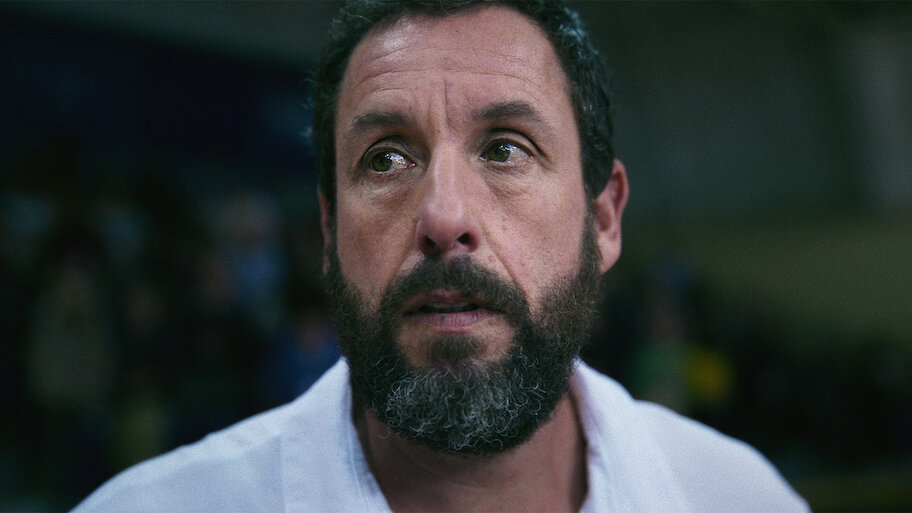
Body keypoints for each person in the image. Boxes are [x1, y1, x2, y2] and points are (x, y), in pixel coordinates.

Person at [73, 1, 809, 511]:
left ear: (603, 217)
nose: (444, 218)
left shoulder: (738, 498)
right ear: (329, 231)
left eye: (506, 149)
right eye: (386, 159)